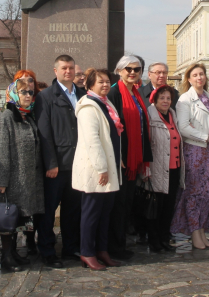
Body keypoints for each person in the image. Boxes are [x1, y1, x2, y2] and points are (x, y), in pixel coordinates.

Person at [34, 55, 86, 268]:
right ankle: (47, 250)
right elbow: (44, 132)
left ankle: (70, 247)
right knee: (48, 211)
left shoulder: (83, 95)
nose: (68, 71)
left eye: (71, 68)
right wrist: (51, 163)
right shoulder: (45, 96)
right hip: (57, 166)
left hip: (78, 164)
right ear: (55, 71)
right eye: (64, 68)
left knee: (72, 211)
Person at [171, 63, 209, 250]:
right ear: (189, 79)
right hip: (195, 150)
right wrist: (205, 137)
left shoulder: (208, 97)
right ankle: (195, 231)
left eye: (201, 74)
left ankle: (202, 230)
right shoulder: (184, 100)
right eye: (195, 75)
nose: (199, 78)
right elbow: (183, 127)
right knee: (194, 193)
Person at [72, 68, 123, 270]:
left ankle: (102, 249)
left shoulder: (106, 103)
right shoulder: (88, 107)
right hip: (96, 169)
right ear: (90, 85)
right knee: (91, 213)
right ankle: (87, 252)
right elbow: (92, 140)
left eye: (107, 82)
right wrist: (102, 167)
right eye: (100, 82)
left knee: (105, 213)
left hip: (110, 166)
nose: (104, 85)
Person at [0, 78, 45, 273]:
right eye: (23, 92)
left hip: (27, 180)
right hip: (12, 179)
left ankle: (14, 253)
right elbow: (0, 150)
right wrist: (0, 180)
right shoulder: (7, 117)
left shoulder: (27, 117)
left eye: (30, 93)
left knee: (19, 219)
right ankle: (6, 257)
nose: (28, 96)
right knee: (8, 219)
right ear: (13, 94)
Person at [106, 55, 153, 260]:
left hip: (135, 158)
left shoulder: (136, 93)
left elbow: (142, 126)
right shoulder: (115, 93)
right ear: (119, 70)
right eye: (128, 69)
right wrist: (119, 156)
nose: (133, 72)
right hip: (123, 159)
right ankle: (115, 246)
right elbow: (114, 128)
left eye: (137, 69)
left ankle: (121, 243)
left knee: (127, 203)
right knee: (119, 204)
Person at [141, 85, 184, 253]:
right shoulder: (150, 116)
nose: (165, 101)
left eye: (168, 98)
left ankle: (165, 239)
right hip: (156, 168)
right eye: (162, 98)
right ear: (154, 100)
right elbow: (146, 143)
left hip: (174, 168)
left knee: (168, 207)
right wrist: (145, 169)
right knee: (155, 207)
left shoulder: (173, 115)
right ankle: (154, 241)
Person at [9, 69, 40, 255]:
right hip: (15, 175)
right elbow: (2, 150)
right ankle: (10, 252)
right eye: (22, 88)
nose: (27, 92)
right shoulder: (8, 116)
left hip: (32, 173)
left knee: (30, 213)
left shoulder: (30, 114)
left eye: (30, 88)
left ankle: (29, 242)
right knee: (13, 215)